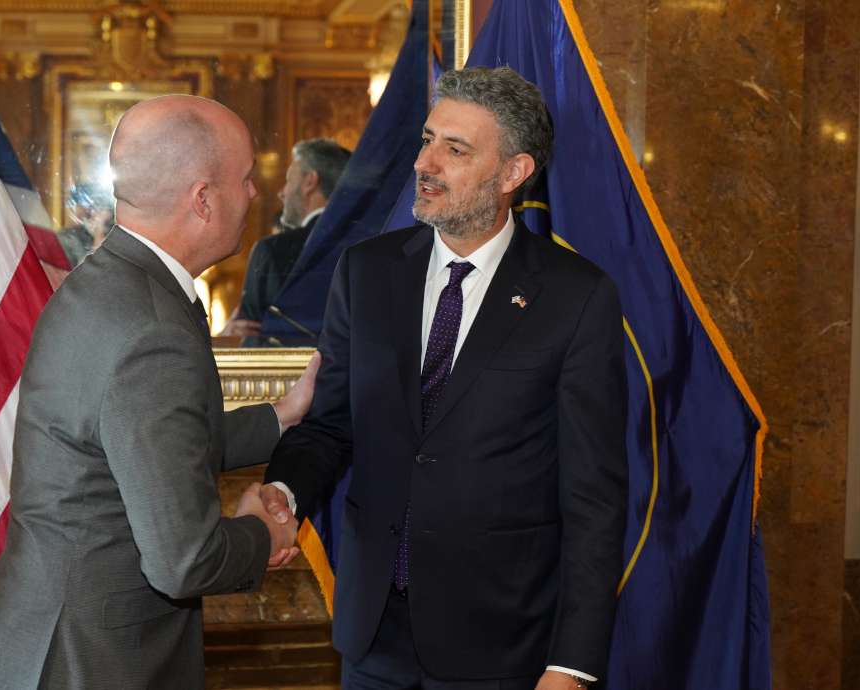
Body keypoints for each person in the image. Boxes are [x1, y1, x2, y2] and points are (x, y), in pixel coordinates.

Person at [261, 67, 628, 690]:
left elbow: (594, 498)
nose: (424, 163)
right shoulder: (366, 273)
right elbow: (329, 425)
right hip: (372, 635)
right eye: (428, 139)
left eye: (454, 150)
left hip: (502, 642)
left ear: (513, 173)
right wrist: (284, 493)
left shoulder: (575, 296)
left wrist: (571, 664)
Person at [0, 96, 318, 690]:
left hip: (49, 644)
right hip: (92, 662)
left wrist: (281, 416)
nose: (254, 195)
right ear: (203, 200)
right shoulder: (152, 325)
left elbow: (132, 441)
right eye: (246, 178)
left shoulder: (108, 282)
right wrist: (267, 534)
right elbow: (185, 561)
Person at [222, 138, 351, 344]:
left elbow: (249, 346)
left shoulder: (272, 251)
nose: (282, 192)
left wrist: (227, 339)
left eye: (289, 180)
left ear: (310, 181)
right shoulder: (371, 247)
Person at [57, 183, 115, 268]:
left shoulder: (114, 230)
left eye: (101, 206)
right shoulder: (68, 238)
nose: (95, 211)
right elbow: (86, 274)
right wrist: (98, 233)